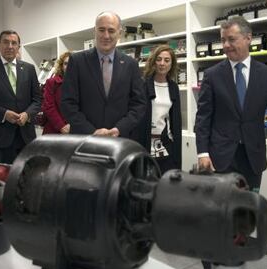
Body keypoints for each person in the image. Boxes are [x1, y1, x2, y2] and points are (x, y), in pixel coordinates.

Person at [194, 16, 267, 269]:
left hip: (251, 157)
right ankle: (210, 266)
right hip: (219, 157)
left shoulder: (266, 75)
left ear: (248, 39)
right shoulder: (213, 75)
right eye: (223, 40)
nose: (225, 45)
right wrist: (202, 151)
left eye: (231, 39)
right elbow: (203, 119)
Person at [61, 11, 146, 140]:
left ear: (119, 33)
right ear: (94, 31)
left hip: (120, 140)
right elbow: (68, 103)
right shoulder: (77, 61)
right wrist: (91, 131)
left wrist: (120, 128)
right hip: (84, 140)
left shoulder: (131, 64)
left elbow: (138, 104)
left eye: (111, 31)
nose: (106, 35)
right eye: (101, 30)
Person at [0, 30, 41, 164]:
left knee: (26, 178)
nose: (10, 46)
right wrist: (4, 114)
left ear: (18, 47)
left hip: (26, 138)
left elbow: (37, 99)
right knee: (1, 181)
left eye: (14, 43)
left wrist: (27, 114)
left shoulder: (29, 69)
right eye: (6, 42)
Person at [134, 45, 182, 174]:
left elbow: (175, 119)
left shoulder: (173, 87)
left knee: (167, 184)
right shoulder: (142, 84)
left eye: (167, 60)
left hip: (165, 144)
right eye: (159, 59)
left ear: (172, 64)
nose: (162, 63)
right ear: (153, 61)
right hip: (144, 143)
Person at [42, 51, 71, 134]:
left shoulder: (81, 84)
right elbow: (48, 107)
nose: (68, 66)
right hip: (54, 129)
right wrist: (61, 126)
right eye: (66, 64)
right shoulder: (52, 82)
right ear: (61, 66)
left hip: (74, 130)